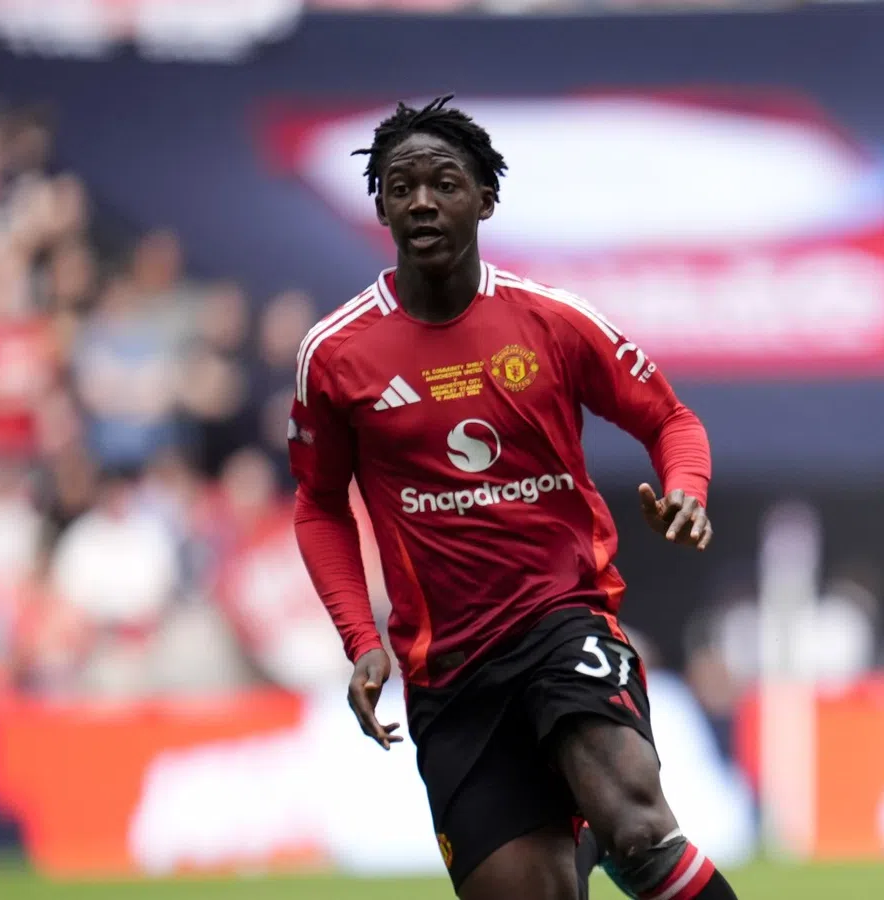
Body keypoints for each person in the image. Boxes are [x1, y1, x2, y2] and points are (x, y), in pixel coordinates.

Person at [290, 95, 739, 900]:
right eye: (401, 186)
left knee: (640, 827)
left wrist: (687, 490)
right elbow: (319, 504)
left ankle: (601, 821)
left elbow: (671, 420)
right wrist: (360, 637)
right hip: (447, 672)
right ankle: (578, 832)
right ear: (382, 206)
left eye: (445, 183)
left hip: (559, 618)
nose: (422, 200)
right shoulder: (336, 354)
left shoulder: (550, 323)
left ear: (485, 200)